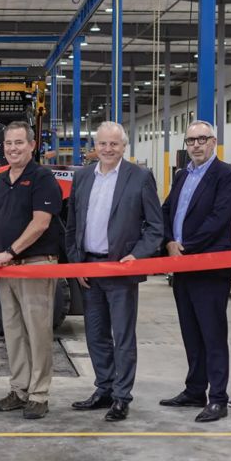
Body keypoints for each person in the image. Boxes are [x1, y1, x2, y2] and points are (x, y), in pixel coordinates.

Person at [65, 121, 163, 422]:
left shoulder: (140, 177)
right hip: (90, 269)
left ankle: (122, 396)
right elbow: (71, 227)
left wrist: (137, 255)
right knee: (95, 335)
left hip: (120, 271)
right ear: (94, 147)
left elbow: (156, 228)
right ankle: (103, 388)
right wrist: (76, 263)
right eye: (103, 144)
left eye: (114, 144)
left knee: (122, 336)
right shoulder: (82, 178)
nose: (108, 149)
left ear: (124, 147)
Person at [159, 121, 231, 423]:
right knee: (191, 331)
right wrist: (169, 242)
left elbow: (220, 218)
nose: (196, 145)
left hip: (208, 267)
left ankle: (218, 397)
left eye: (202, 139)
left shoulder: (225, 175)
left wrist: (187, 246)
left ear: (213, 142)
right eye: (191, 140)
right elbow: (167, 210)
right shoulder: (182, 175)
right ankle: (195, 389)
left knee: (213, 334)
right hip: (181, 266)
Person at [0, 121, 63, 420]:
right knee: (14, 332)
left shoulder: (43, 178)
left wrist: (10, 252)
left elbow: (41, 223)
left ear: (32, 145)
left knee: (38, 331)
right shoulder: (0, 180)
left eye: (19, 142)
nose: (13, 148)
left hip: (35, 265)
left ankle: (39, 394)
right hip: (7, 269)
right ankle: (19, 389)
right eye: (9, 143)